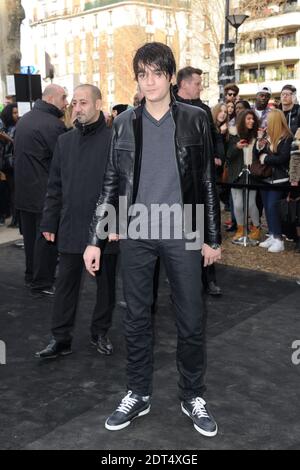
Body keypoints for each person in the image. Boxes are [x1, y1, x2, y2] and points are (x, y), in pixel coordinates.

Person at [84, 42, 221, 436]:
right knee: (136, 317)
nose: (150, 81)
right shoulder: (125, 122)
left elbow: (208, 182)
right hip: (138, 231)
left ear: (170, 77)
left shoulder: (195, 119)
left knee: (191, 319)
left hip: (185, 229)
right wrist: (96, 238)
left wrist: (212, 237)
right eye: (142, 74)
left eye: (156, 73)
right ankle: (138, 393)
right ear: (138, 80)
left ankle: (193, 394)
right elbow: (112, 181)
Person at [35, 84, 118, 359]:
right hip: (70, 225)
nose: (77, 108)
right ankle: (60, 338)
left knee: (105, 287)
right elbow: (54, 185)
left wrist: (117, 225)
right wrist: (49, 221)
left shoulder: (114, 140)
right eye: (74, 103)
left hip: (105, 227)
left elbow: (123, 186)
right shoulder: (64, 141)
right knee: (65, 286)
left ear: (98, 103)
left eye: (83, 102)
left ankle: (100, 332)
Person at [14, 84, 68, 295]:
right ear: (52, 98)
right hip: (44, 194)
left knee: (30, 240)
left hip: (24, 193)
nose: (66, 102)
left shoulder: (25, 120)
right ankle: (42, 282)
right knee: (46, 239)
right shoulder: (52, 125)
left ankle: (32, 277)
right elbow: (63, 162)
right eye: (64, 98)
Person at [174, 66, 221, 296]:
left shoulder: (203, 110)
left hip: (201, 183)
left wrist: (217, 155)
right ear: (183, 84)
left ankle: (208, 279)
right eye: (197, 83)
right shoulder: (168, 107)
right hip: (178, 187)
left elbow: (215, 137)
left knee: (202, 232)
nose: (200, 87)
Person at [255, 109, 293, 252]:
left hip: (279, 180)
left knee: (272, 208)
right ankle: (272, 234)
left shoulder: (287, 138)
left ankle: (278, 239)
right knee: (267, 208)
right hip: (265, 178)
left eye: (269, 119)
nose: (266, 122)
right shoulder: (267, 135)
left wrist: (266, 158)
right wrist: (259, 143)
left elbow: (283, 158)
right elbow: (256, 154)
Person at [226, 109, 261, 243]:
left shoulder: (257, 136)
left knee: (251, 203)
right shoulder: (233, 135)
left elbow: (260, 154)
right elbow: (228, 156)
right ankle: (241, 229)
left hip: (251, 174)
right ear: (242, 120)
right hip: (236, 174)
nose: (251, 121)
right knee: (238, 204)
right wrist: (236, 147)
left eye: (253, 119)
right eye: (248, 119)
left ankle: (256, 229)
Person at [0, 103, 19, 227]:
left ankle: (16, 219)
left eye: (17, 112)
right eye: (14, 113)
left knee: (14, 191)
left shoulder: (15, 128)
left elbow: (13, 141)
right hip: (5, 164)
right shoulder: (6, 127)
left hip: (12, 164)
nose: (17, 115)